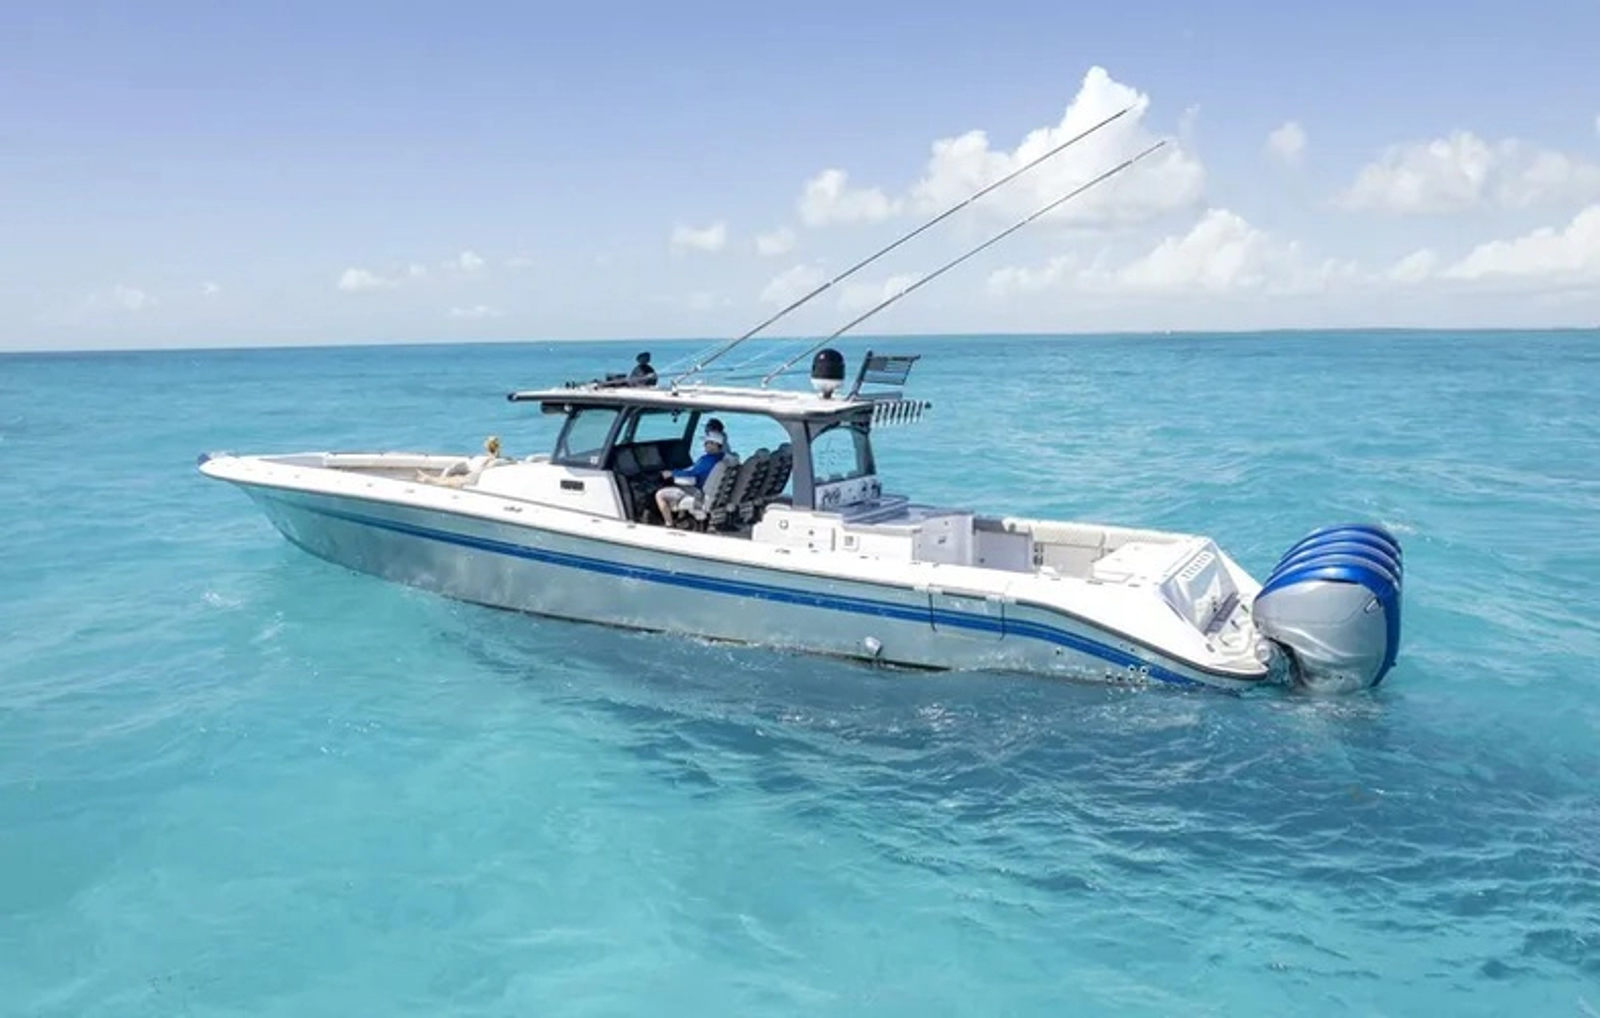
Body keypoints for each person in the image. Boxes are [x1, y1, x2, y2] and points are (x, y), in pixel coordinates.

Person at [655, 426, 727, 523]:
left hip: (697, 492)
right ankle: (681, 518)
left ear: (715, 444)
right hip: (705, 490)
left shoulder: (708, 460)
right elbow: (693, 470)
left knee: (660, 495)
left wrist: (671, 473)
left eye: (707, 442)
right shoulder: (721, 458)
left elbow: (691, 474)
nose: (704, 445)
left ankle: (669, 524)